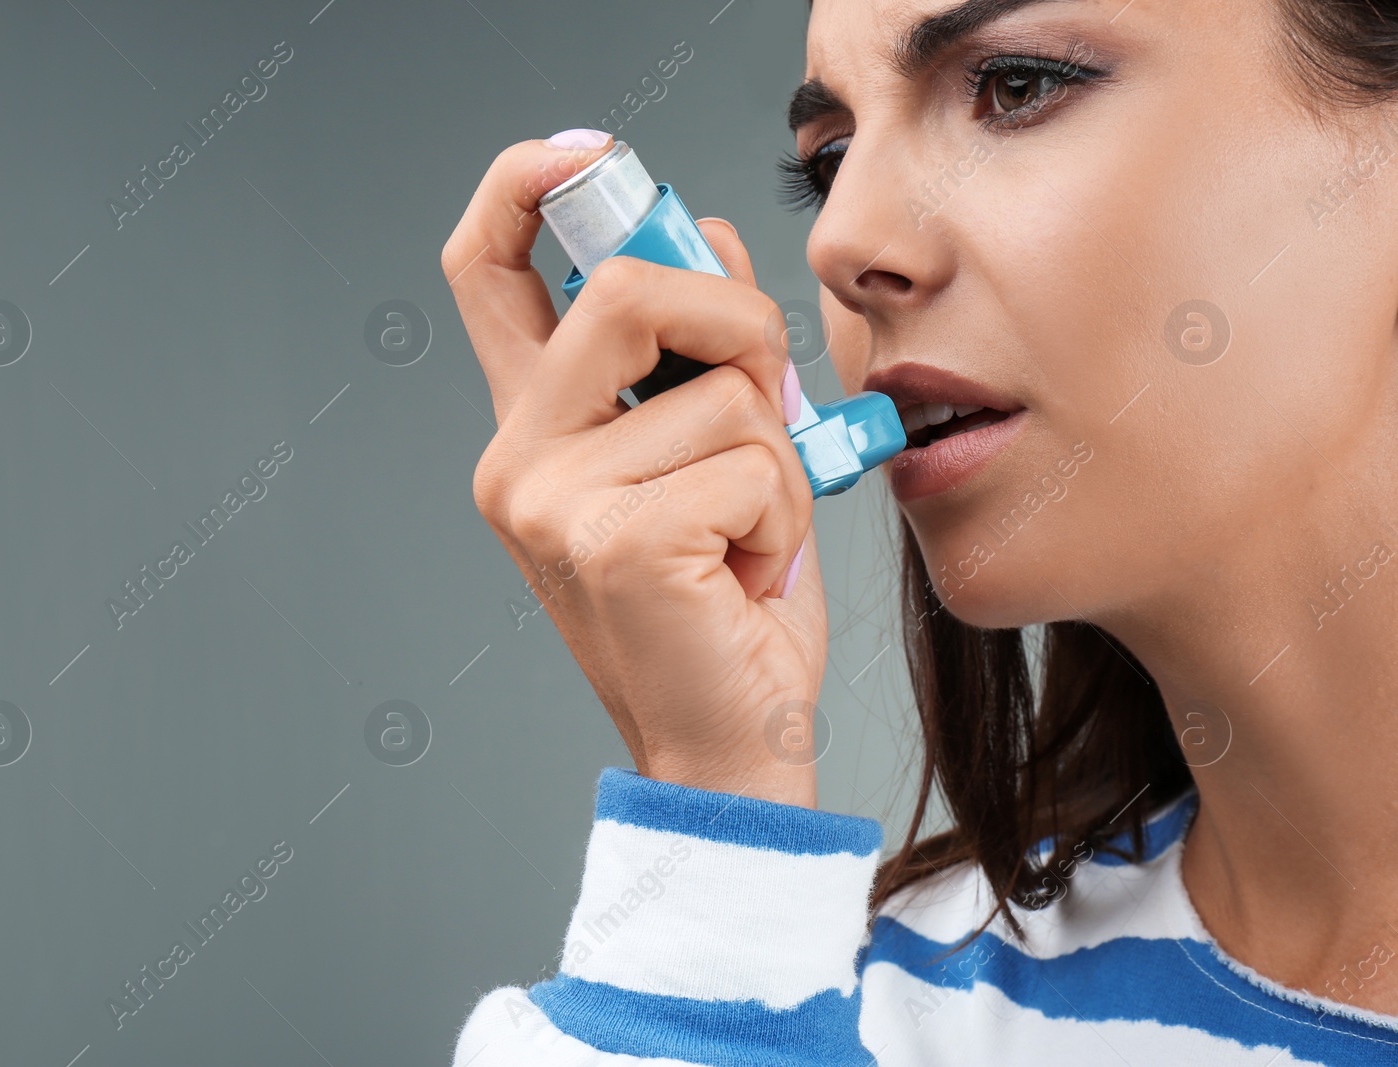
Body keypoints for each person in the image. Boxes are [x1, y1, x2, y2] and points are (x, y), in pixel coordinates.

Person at [439, 0, 1398, 1061]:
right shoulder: (828, 1010)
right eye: (831, 157)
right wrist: (714, 822)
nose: (839, 239)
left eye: (1018, 85)